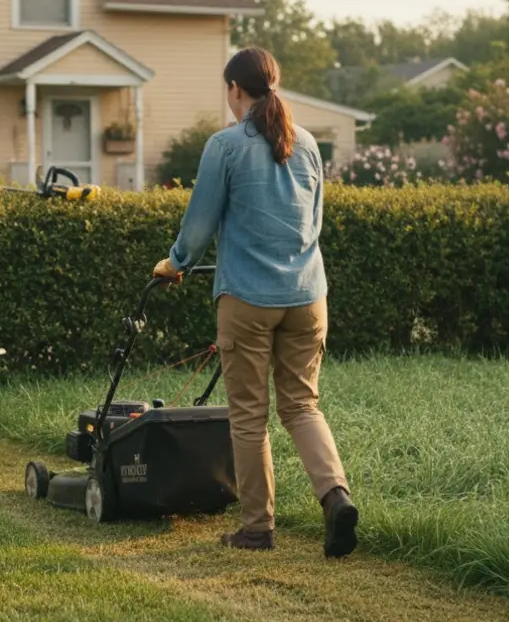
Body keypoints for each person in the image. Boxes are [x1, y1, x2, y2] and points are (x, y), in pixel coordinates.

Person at [153, 47, 358, 558]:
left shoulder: (225, 146)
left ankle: (257, 529)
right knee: (302, 406)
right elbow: (312, 223)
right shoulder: (308, 144)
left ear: (235, 90)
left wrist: (174, 264)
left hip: (247, 297)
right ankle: (335, 497)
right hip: (309, 296)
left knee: (248, 415)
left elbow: (198, 227)